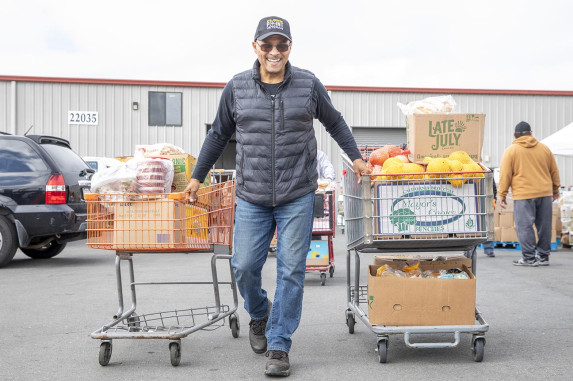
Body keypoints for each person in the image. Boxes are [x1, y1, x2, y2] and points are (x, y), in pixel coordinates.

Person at [184, 16, 368, 377]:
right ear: (255, 47)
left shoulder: (308, 84)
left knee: (291, 271)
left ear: (289, 48)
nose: (274, 51)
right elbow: (218, 135)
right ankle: (259, 314)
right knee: (244, 266)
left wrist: (358, 158)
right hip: (251, 195)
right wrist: (196, 177)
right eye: (266, 45)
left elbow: (335, 122)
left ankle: (279, 344)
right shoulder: (236, 88)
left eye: (281, 45)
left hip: (297, 193)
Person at [498, 121, 560, 266]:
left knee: (524, 226)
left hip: (523, 195)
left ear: (514, 135)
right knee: (544, 226)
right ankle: (544, 257)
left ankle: (529, 258)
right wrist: (555, 190)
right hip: (544, 194)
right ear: (531, 133)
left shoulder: (511, 151)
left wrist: (502, 195)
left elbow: (505, 175)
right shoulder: (545, 149)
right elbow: (554, 171)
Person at [482, 180, 497, 257]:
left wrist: (494, 198)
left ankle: (489, 249)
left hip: (486, 199)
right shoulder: (468, 169)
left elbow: (492, 185)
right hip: (473, 198)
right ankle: (469, 250)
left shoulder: (486, 170)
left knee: (487, 225)